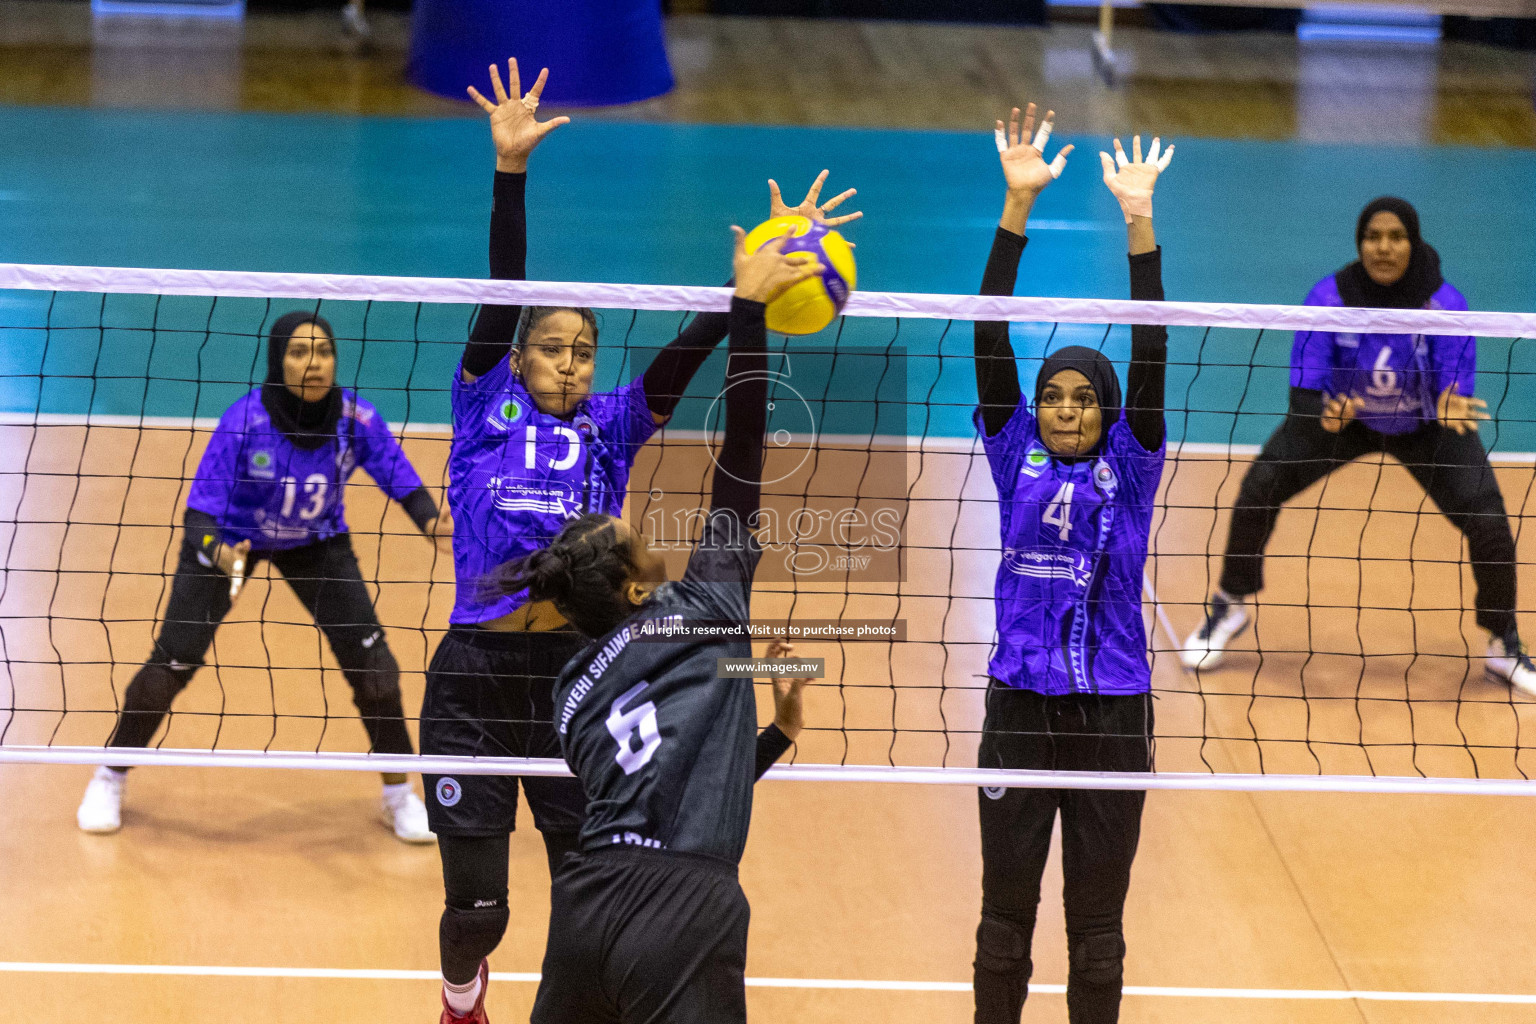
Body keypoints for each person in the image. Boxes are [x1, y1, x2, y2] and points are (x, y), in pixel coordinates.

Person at [420, 60, 856, 1024]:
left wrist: (740, 294)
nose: (571, 362)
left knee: (600, 874)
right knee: (478, 911)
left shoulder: (612, 425)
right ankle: (462, 996)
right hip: (476, 680)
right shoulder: (481, 408)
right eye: (553, 347)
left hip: (587, 676)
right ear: (518, 357)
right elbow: (502, 292)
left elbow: (678, 367)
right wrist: (510, 174)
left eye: (584, 349)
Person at [456, 227, 816, 1024]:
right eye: (637, 541)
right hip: (685, 910)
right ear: (632, 582)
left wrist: (768, 715)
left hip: (589, 907)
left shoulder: (572, 696)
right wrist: (748, 310)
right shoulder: (710, 613)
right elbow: (745, 451)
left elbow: (659, 773)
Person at [75, 311, 450, 841]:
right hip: (232, 542)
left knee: (376, 670)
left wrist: (432, 521)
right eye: (299, 352)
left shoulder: (353, 419)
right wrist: (221, 553)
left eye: (323, 351)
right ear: (279, 360)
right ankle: (108, 774)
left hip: (315, 543)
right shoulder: (245, 421)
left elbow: (401, 479)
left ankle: (399, 794)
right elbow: (198, 516)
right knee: (172, 661)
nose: (314, 362)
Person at [970, 106, 1172, 1024]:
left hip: (1113, 712)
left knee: (1097, 930)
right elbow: (985, 337)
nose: (1061, 409)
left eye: (1082, 398)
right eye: (1050, 396)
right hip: (1017, 704)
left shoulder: (1131, 467)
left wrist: (1140, 225)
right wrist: (1015, 211)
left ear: (1110, 411)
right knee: (1004, 921)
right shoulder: (1014, 453)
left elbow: (1154, 347)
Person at [1180, 196, 1535, 694]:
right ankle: (1229, 604)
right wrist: (1324, 413)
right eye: (1373, 237)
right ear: (1359, 243)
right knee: (1261, 483)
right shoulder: (1329, 298)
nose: (1383, 247)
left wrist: (1449, 401)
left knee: (1490, 522)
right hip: (1344, 422)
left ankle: (1503, 642)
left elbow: (1455, 386)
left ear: (1413, 242)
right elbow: (1304, 388)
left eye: (1396, 237)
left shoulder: (1445, 303)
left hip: (1426, 424)